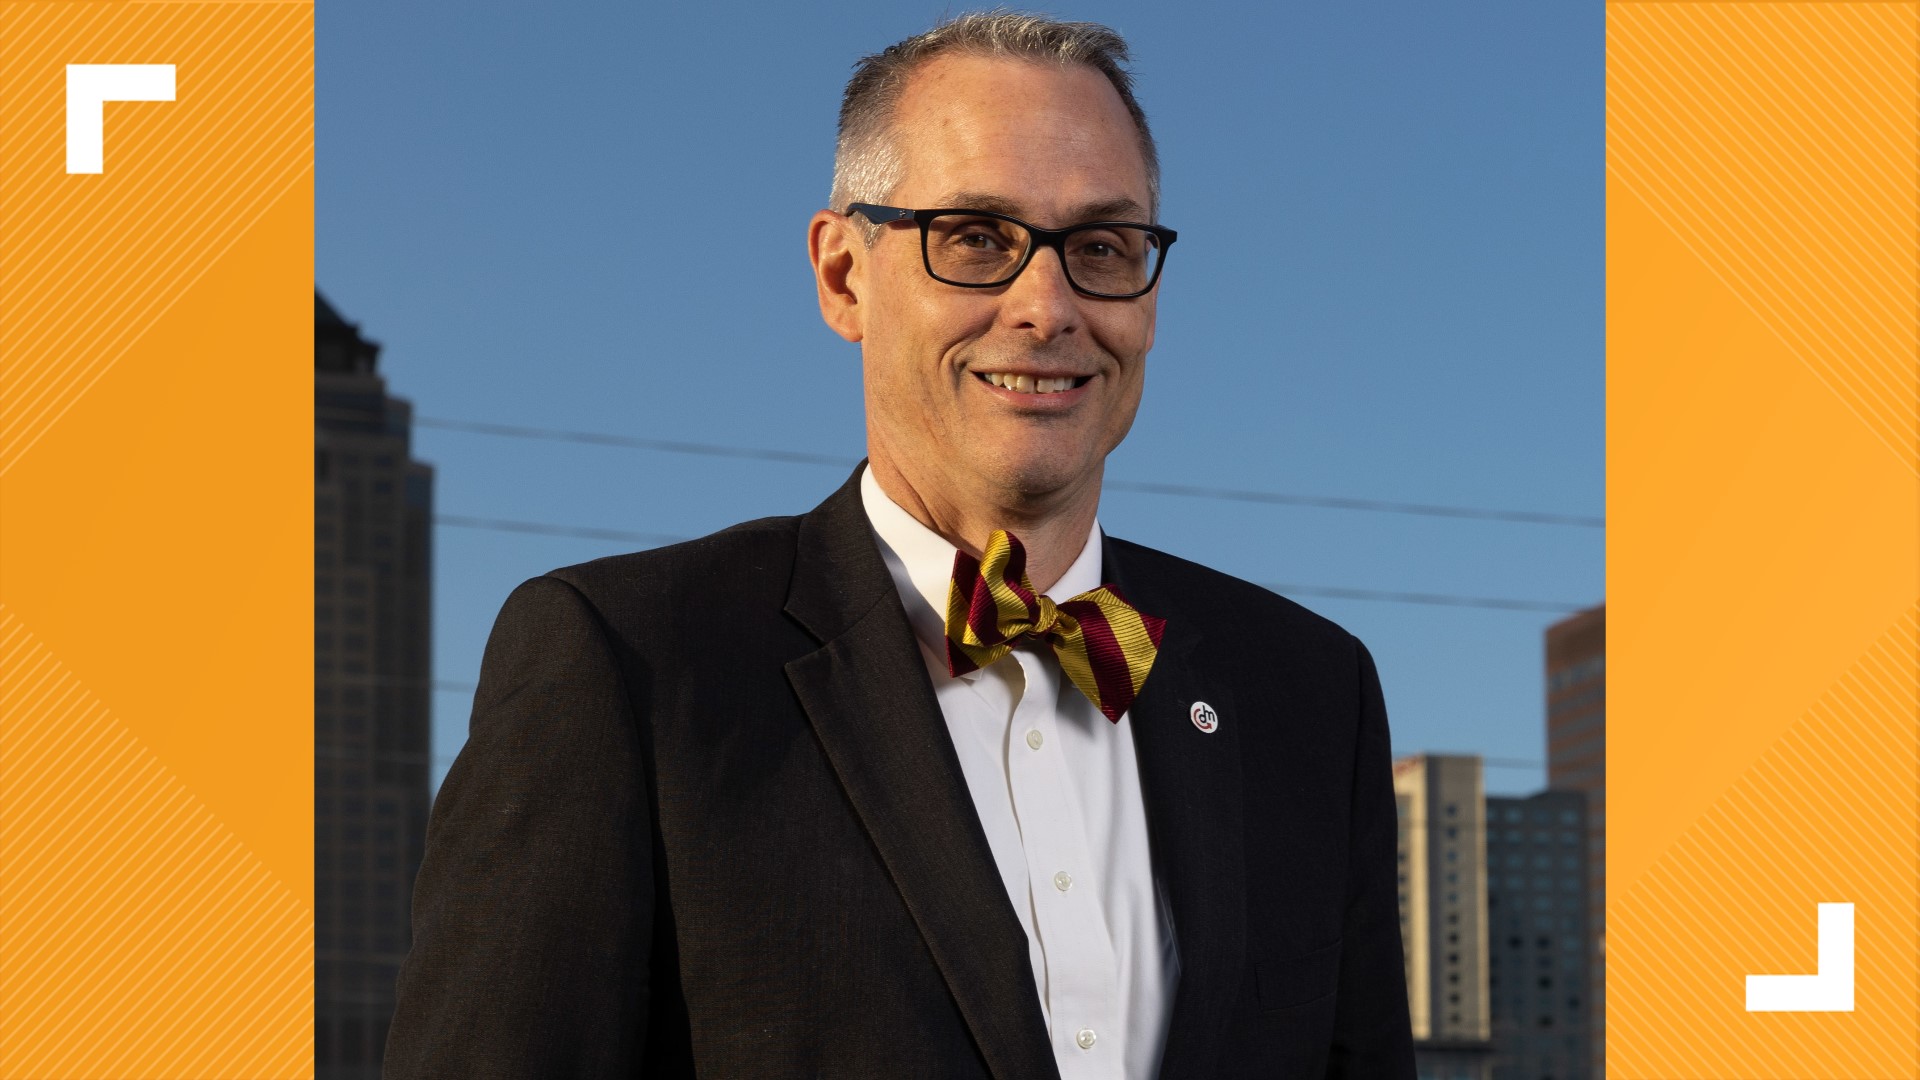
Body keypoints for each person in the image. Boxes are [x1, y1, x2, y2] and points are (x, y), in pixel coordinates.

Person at [383, 12, 1414, 1079]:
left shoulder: (1309, 692)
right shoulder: (628, 665)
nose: (1047, 307)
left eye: (1102, 247)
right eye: (975, 238)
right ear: (843, 276)